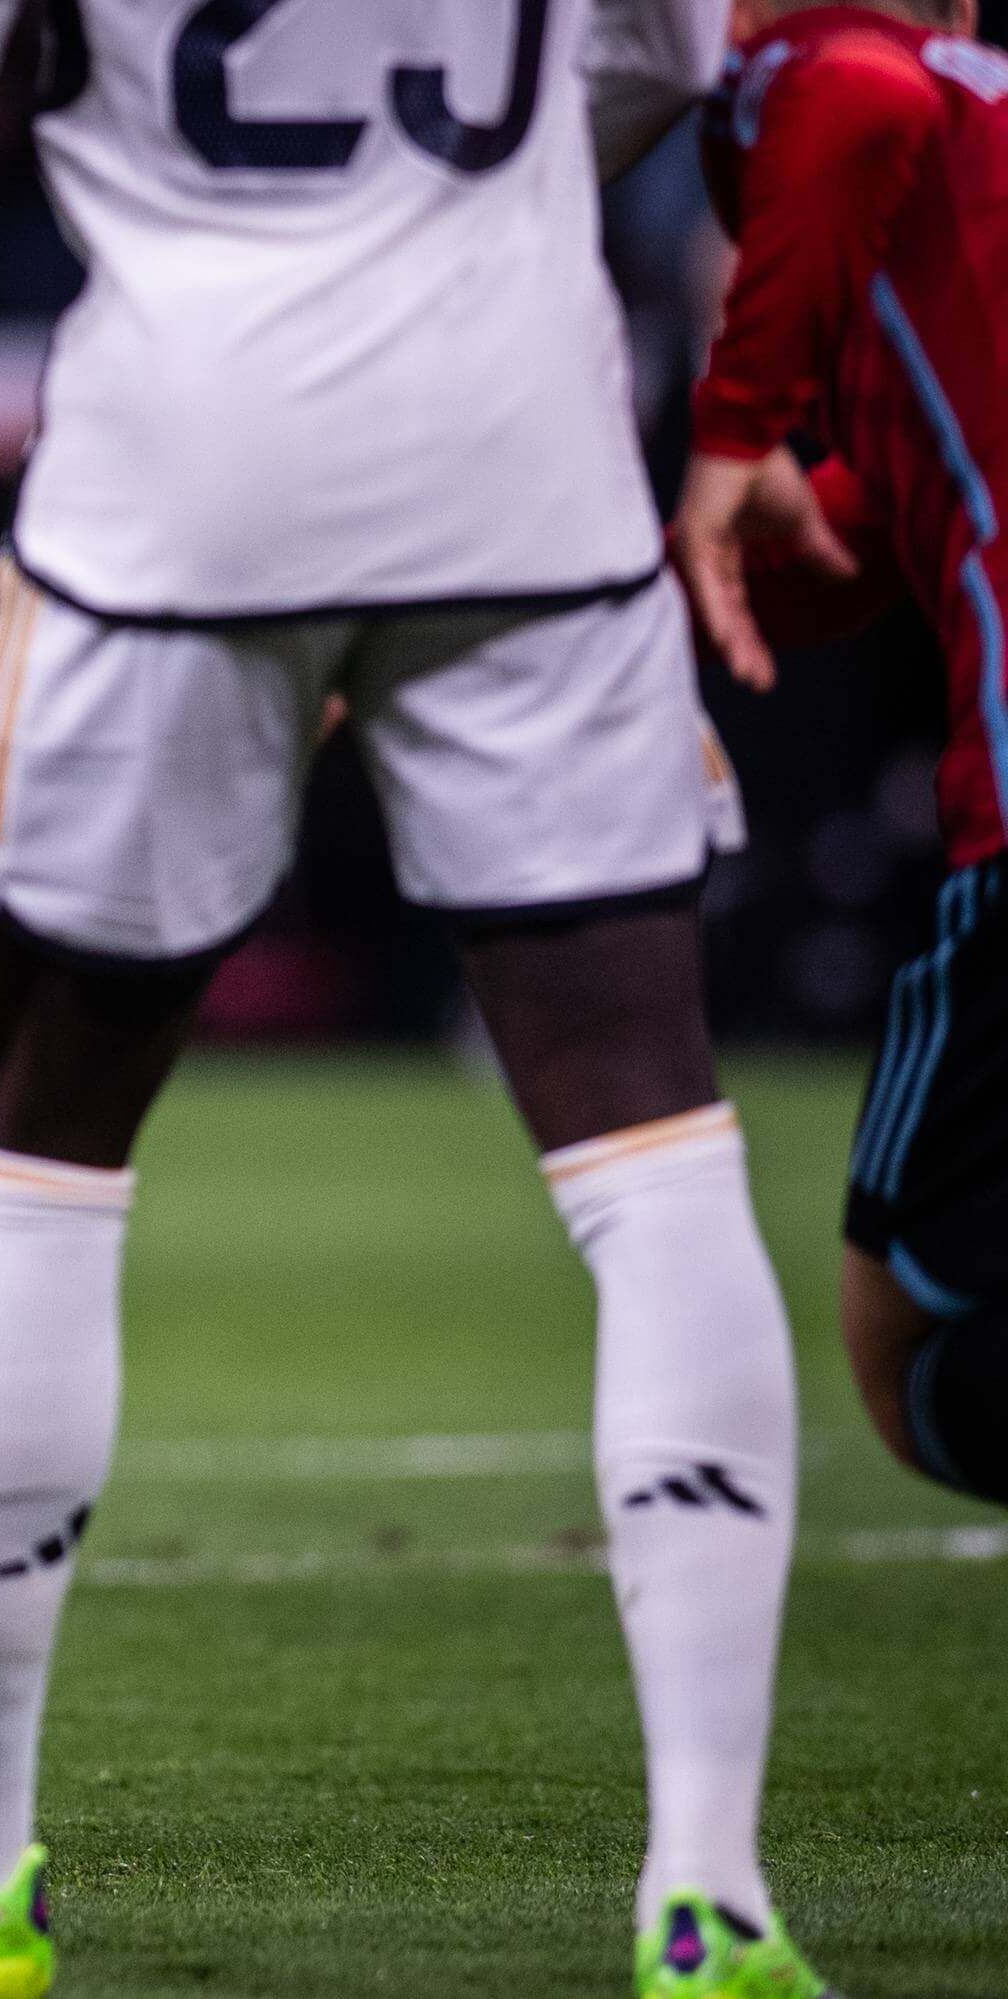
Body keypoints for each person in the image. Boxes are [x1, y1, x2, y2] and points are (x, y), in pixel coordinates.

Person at [0, 4, 831, 1995]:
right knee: (651, 1120)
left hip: (185, 479)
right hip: (525, 446)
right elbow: (666, 46)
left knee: (21, 1124)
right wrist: (468, 212)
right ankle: (712, 1891)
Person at [669, 0, 1008, 1512]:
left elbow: (859, 92)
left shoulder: (828, 77)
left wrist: (731, 423)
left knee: (907, 1342)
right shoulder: (970, 169)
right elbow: (904, 503)